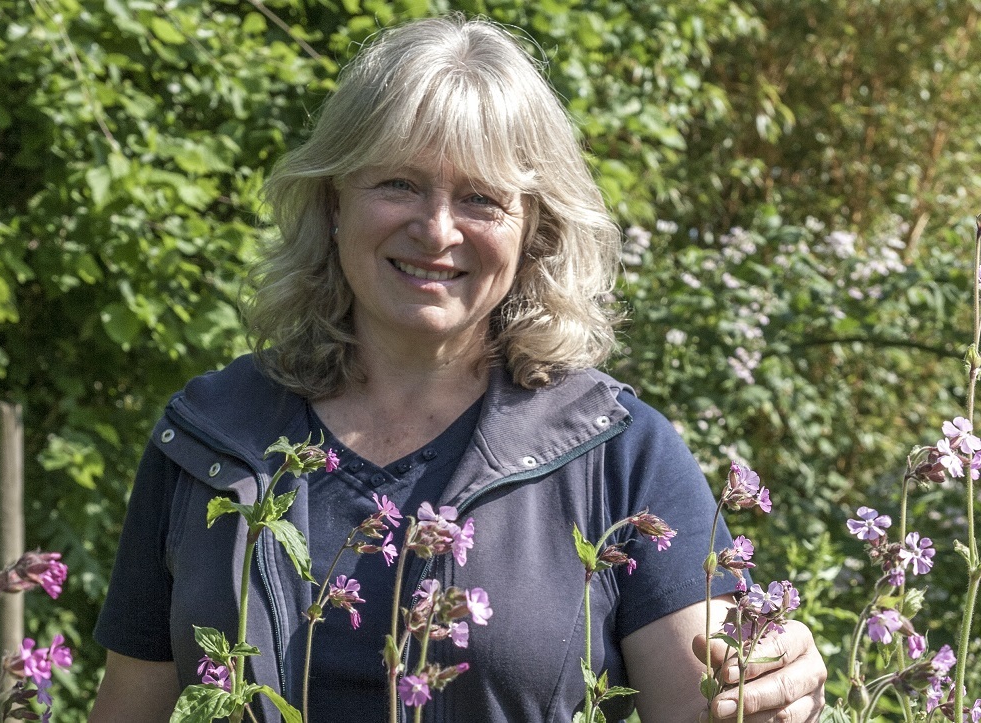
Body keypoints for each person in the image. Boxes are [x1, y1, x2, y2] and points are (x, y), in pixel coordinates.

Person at [89, 15, 826, 723]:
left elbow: (717, 701)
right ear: (333, 200)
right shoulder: (214, 436)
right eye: (399, 184)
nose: (437, 229)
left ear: (535, 229)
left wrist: (780, 686)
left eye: (480, 198)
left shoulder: (618, 453)